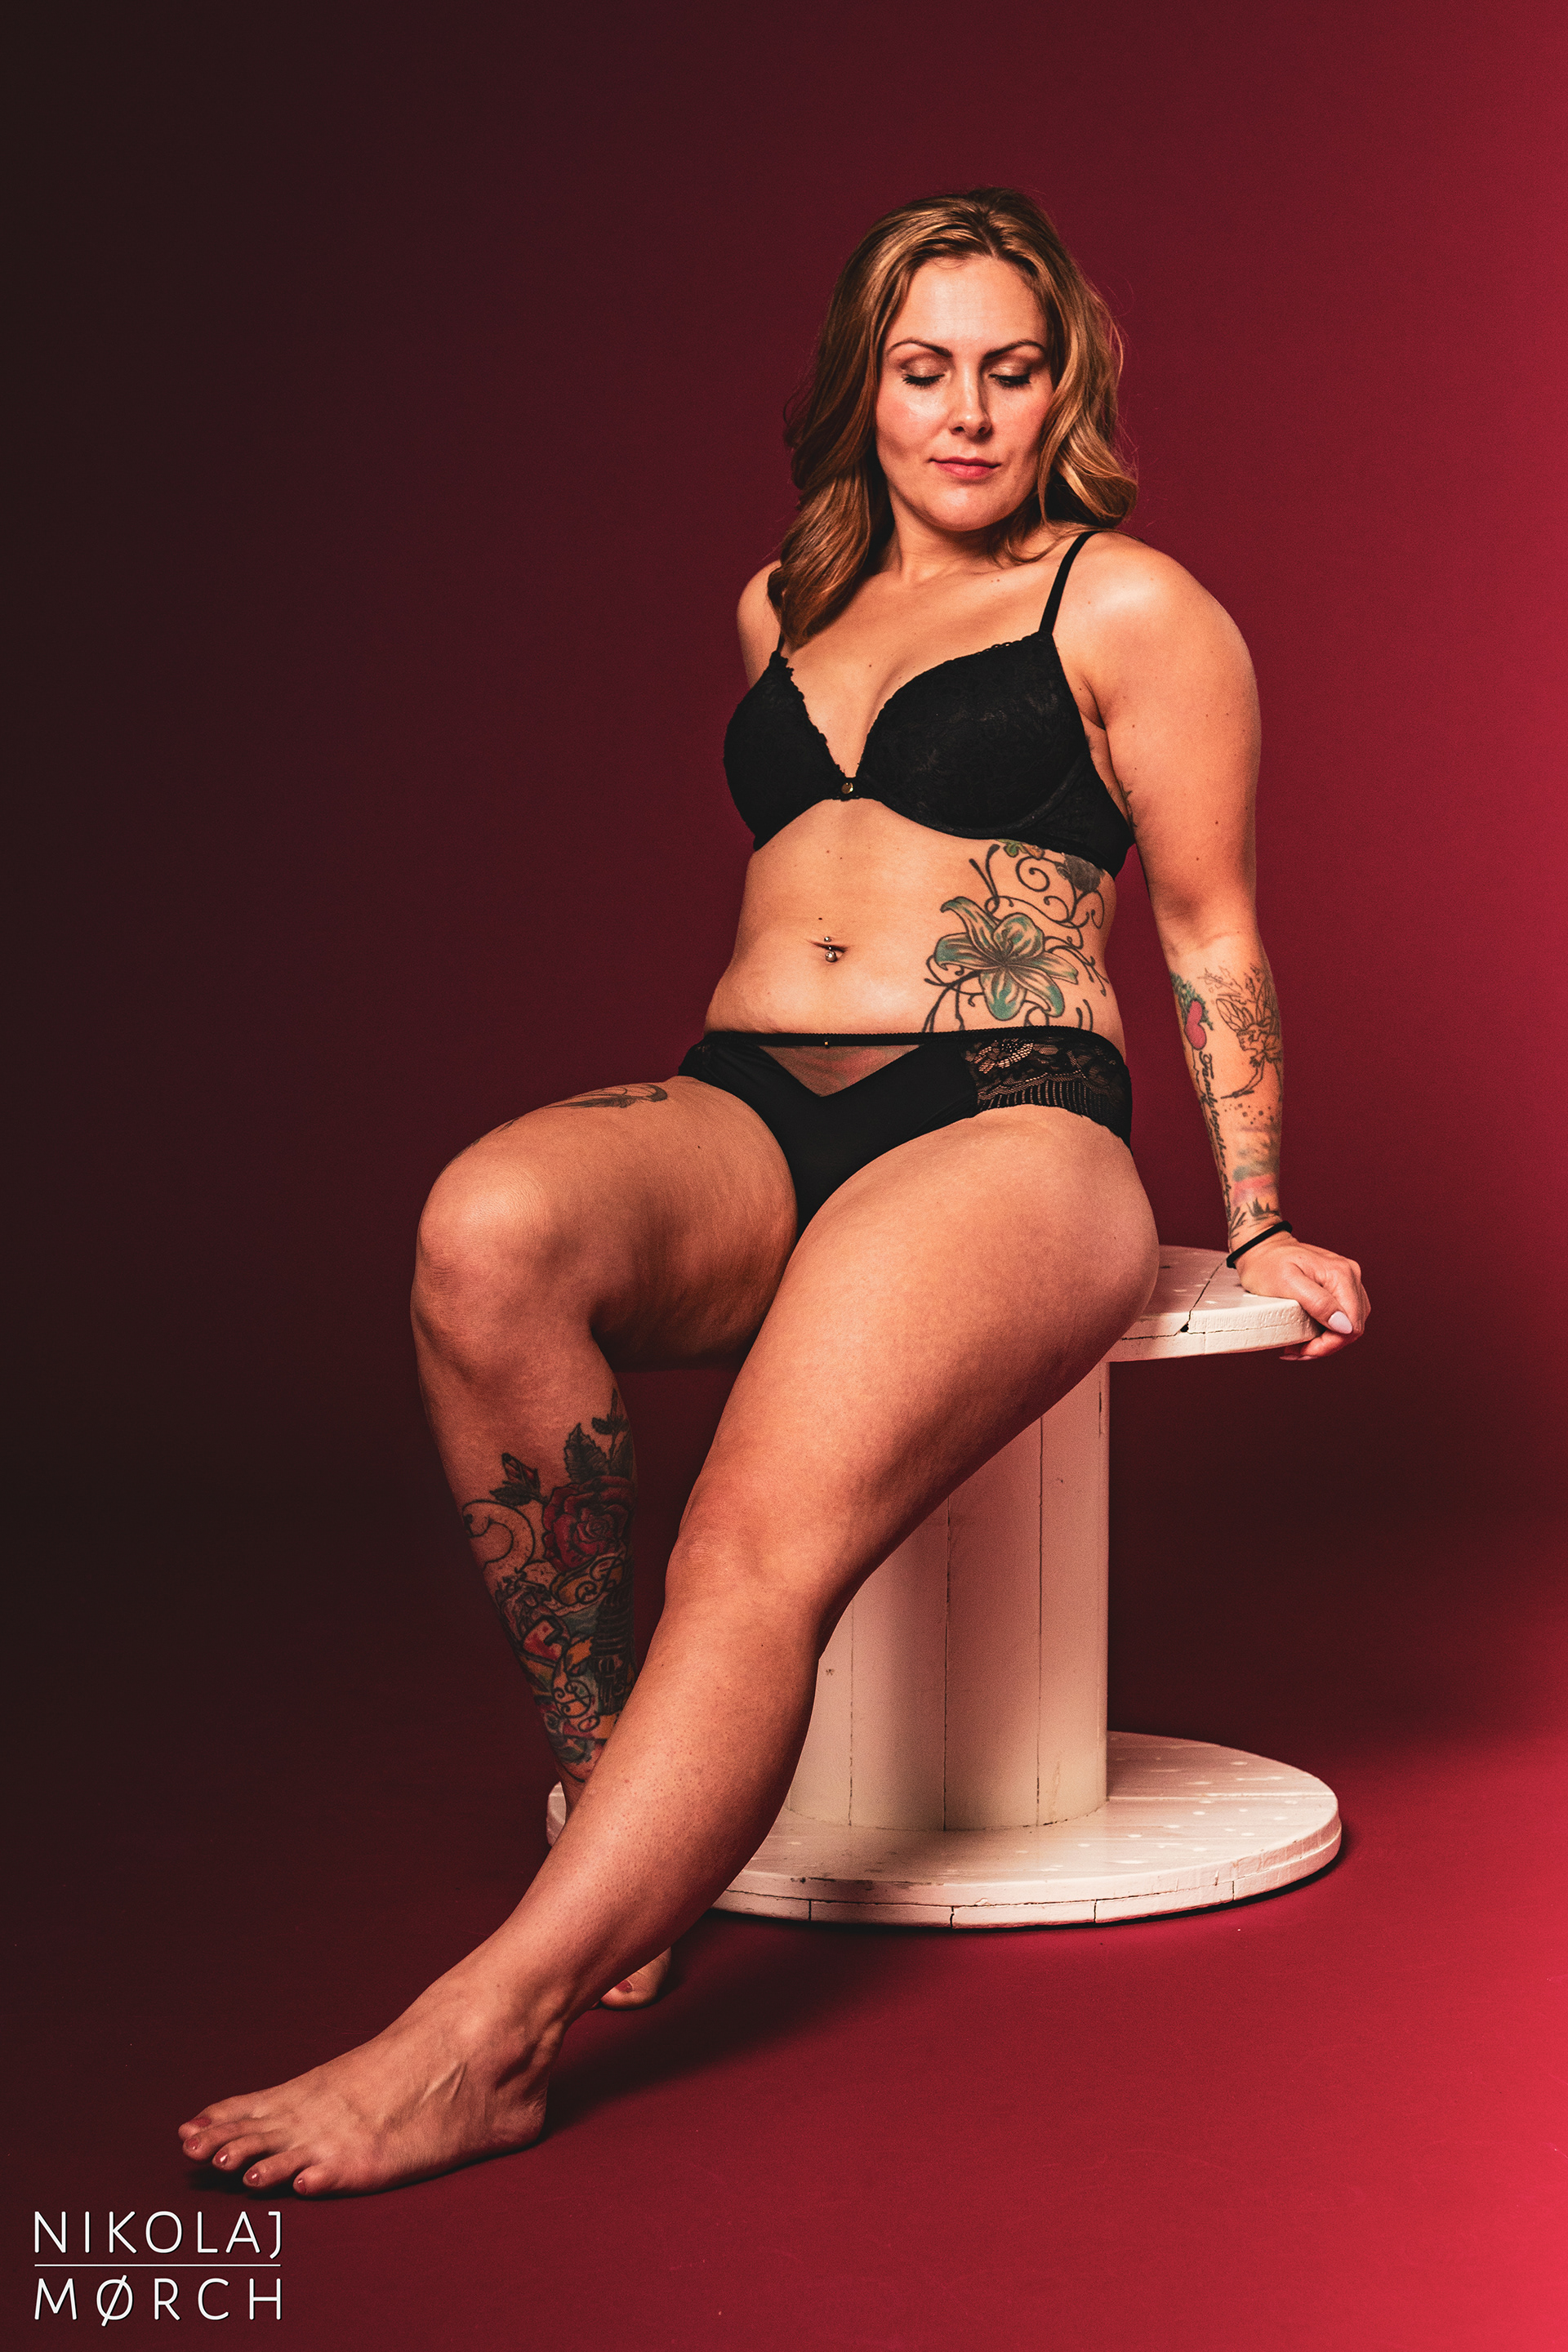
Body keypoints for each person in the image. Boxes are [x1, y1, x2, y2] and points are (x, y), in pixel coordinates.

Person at [179, 186, 1368, 2194]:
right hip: (750, 1095)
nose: (966, 414)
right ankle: (610, 1783)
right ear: (863, 388)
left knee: (748, 1538)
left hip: (1007, 1109)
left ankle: (487, 2035)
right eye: (925, 370)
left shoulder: (1132, 607)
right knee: (485, 1232)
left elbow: (1210, 925)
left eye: (1010, 371)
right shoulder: (779, 603)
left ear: (1066, 387)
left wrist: (1256, 1210)